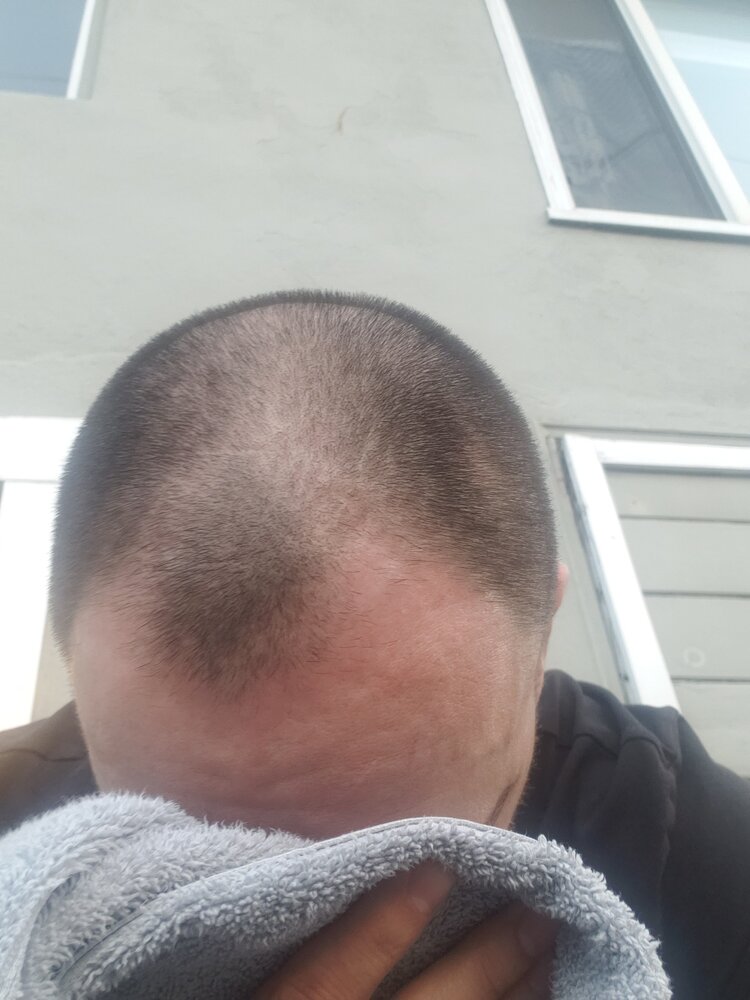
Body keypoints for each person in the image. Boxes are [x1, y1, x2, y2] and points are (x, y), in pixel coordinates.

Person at [0, 291, 748, 999]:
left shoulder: (691, 845)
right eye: (196, 853)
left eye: (427, 851)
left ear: (541, 633)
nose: (312, 926)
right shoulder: (18, 833)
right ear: (74, 669)